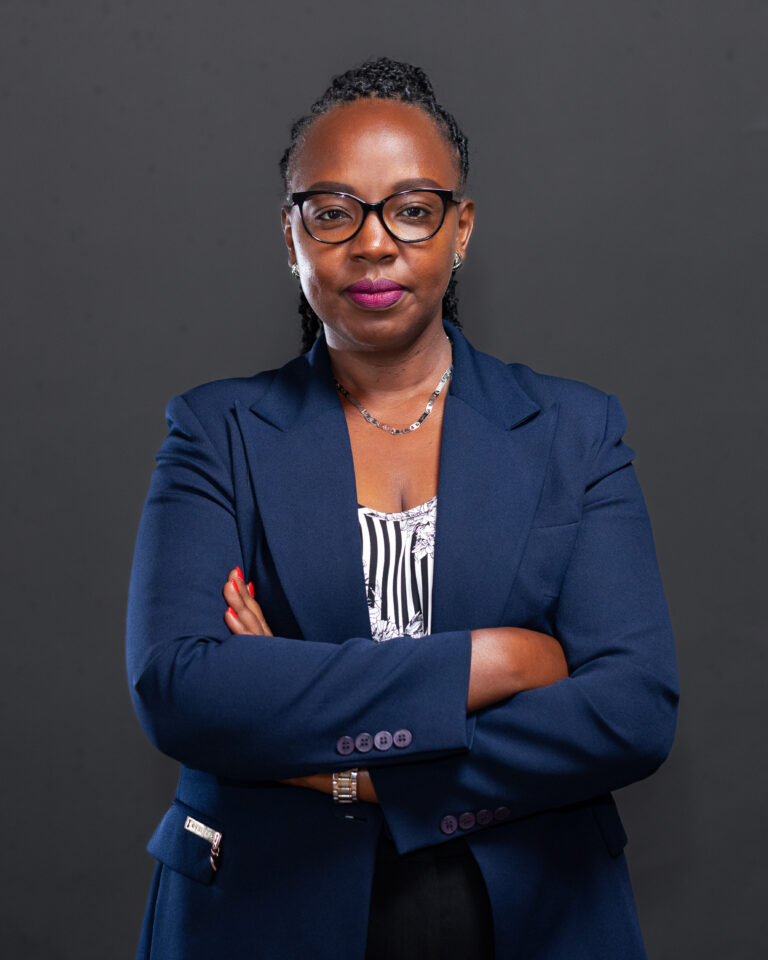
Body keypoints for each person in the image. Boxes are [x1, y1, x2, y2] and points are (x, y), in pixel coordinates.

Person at [126, 57, 679, 960]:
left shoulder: (574, 431)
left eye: (412, 210)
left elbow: (632, 711)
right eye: (332, 212)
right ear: (292, 236)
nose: (373, 244)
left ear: (460, 229)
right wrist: (492, 661)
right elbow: (182, 691)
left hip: (534, 909)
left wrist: (356, 773)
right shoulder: (215, 431)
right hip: (263, 909)